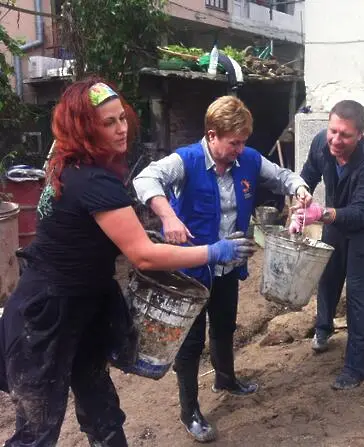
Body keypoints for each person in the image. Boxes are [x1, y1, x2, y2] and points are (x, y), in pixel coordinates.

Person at [0, 79, 256, 447]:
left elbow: (82, 233)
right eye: (108, 122)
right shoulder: (94, 181)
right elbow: (143, 256)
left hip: (82, 311)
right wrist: (215, 252)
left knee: (102, 411)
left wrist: (139, 235)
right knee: (36, 433)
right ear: (85, 128)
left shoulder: (66, 165)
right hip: (46, 319)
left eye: (122, 118)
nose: (121, 129)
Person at [133, 95, 311, 442]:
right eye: (234, 142)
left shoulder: (248, 160)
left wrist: (300, 188)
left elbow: (282, 176)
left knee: (226, 325)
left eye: (244, 142)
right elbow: (145, 180)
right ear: (212, 135)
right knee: (191, 340)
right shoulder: (186, 160)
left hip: (228, 265)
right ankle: (190, 411)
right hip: (192, 271)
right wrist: (168, 215)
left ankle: (225, 378)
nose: (240, 149)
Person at [290, 100, 364, 390]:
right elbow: (307, 176)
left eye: (345, 135)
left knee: (357, 289)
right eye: (333, 130)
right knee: (329, 274)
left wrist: (321, 214)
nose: (336, 139)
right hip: (334, 219)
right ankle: (323, 328)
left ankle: (357, 366)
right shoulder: (322, 142)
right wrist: (299, 204)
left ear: (360, 134)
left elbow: (362, 212)